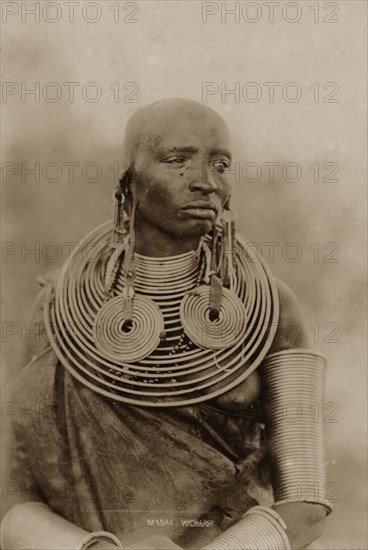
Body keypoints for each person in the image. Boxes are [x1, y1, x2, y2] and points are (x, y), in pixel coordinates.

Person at [1, 99, 331, 550]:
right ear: (128, 181)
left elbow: (308, 507)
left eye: (221, 164)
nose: (206, 182)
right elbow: (13, 497)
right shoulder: (57, 310)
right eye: (177, 160)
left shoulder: (272, 307)